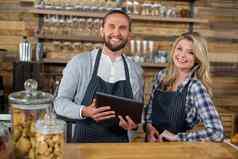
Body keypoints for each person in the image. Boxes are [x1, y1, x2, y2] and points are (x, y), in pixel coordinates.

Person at [54, 9, 144, 143]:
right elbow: (59, 103)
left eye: (123, 28)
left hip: (121, 147)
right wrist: (84, 111)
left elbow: (137, 114)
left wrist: (134, 126)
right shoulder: (80, 62)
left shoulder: (136, 70)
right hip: (83, 147)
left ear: (129, 34)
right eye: (111, 26)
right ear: (102, 30)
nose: (116, 32)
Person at [144, 32, 224, 142]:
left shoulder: (195, 87)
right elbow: (150, 110)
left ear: (197, 58)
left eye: (190, 52)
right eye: (179, 49)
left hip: (178, 151)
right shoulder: (162, 76)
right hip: (151, 145)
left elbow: (217, 132)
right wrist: (148, 128)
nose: (182, 55)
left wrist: (177, 137)